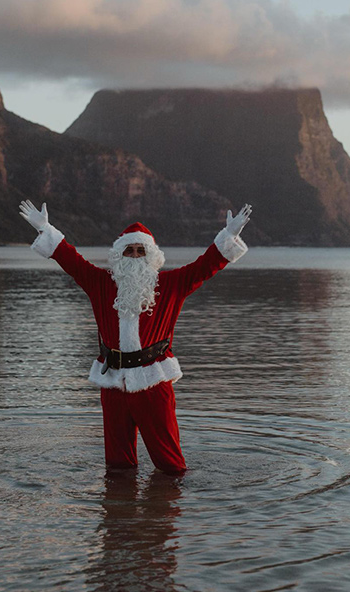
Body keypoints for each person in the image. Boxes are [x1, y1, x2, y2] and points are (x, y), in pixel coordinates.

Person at [18, 200, 252, 475]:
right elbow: (71, 260)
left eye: (141, 250)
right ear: (119, 255)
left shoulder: (170, 285)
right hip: (113, 383)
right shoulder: (100, 283)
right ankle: (119, 515)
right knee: (117, 466)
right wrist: (46, 228)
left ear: (151, 255)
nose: (135, 255)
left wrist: (230, 236)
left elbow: (205, 266)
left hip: (153, 383)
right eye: (129, 250)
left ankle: (166, 512)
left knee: (171, 466)